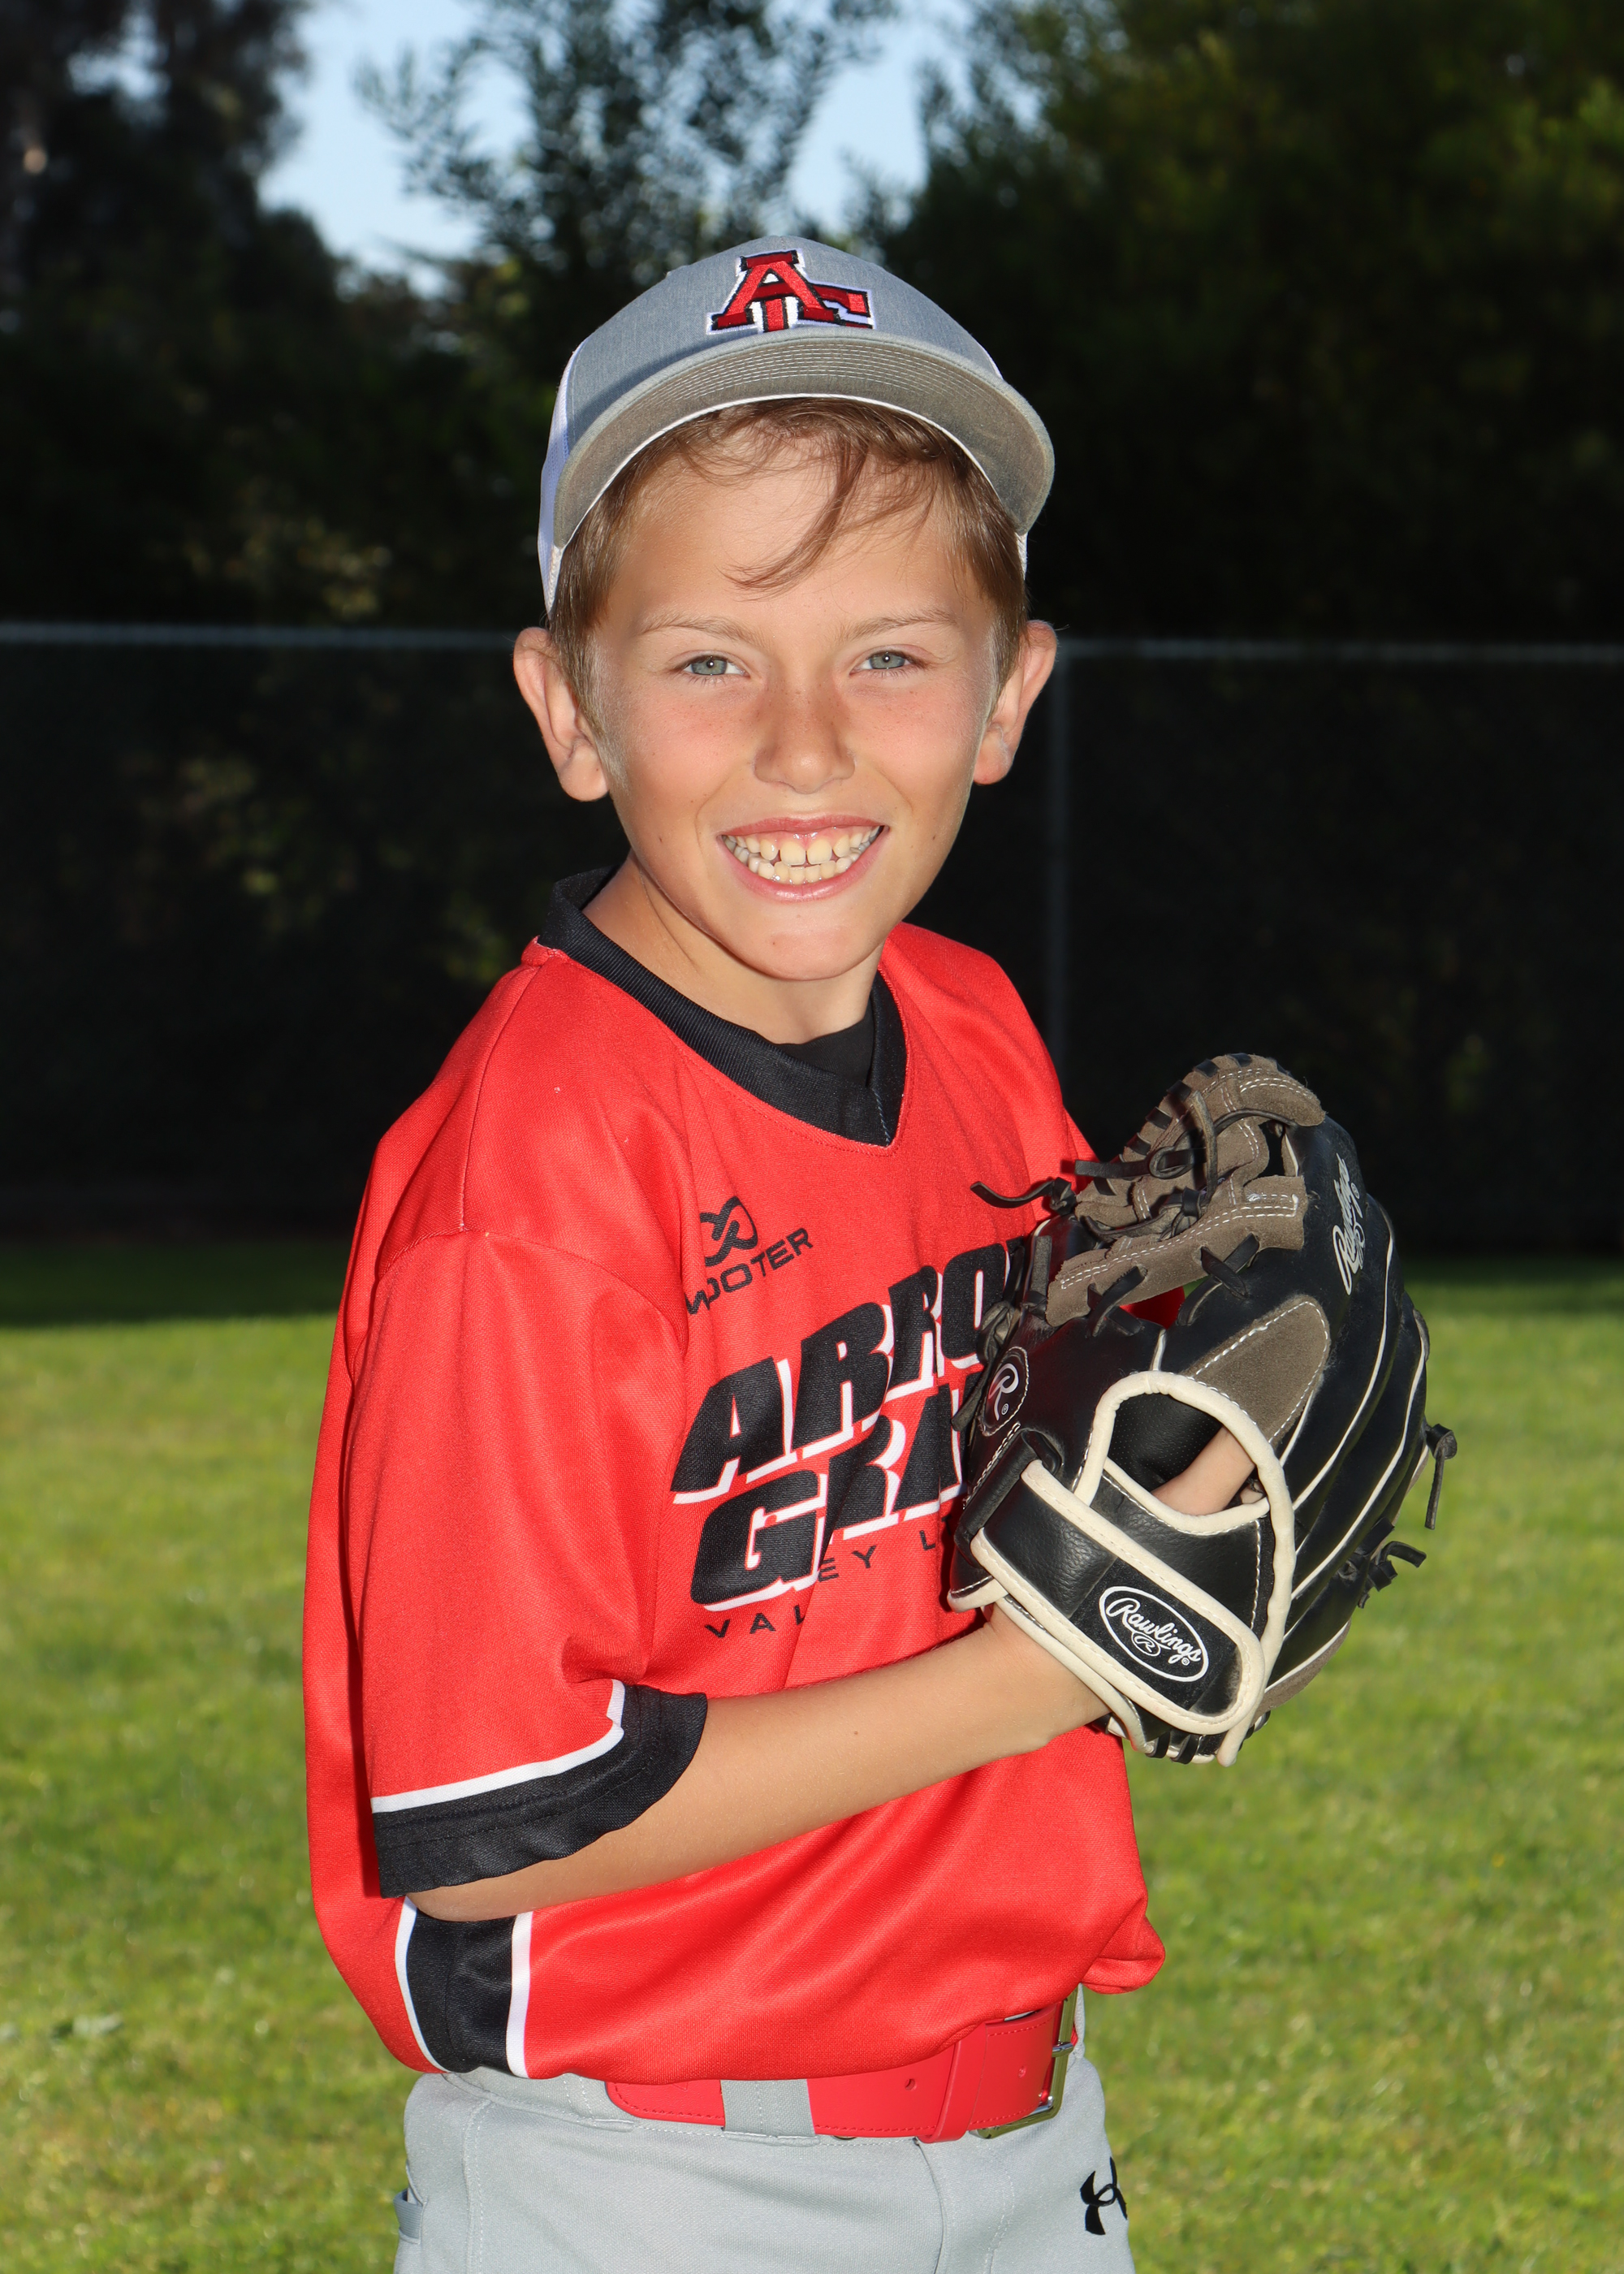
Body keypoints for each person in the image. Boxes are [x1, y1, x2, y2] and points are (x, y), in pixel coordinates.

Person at [304, 236, 1246, 2272]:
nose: (805, 745)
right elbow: (502, 1817)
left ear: (1009, 694)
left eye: (890, 653)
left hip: (1025, 2117)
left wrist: (1205, 1484)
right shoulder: (530, 1174)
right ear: (569, 709)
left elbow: (1043, 1456)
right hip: (650, 2173)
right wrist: (1050, 1663)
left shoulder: (975, 1028)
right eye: (710, 659)